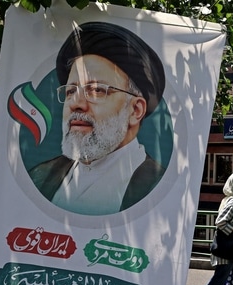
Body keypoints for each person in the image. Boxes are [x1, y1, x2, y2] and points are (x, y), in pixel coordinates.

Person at [29, 22, 166, 216]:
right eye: (70, 91)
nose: (76, 104)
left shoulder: (158, 185)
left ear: (136, 110)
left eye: (96, 90)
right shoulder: (39, 176)